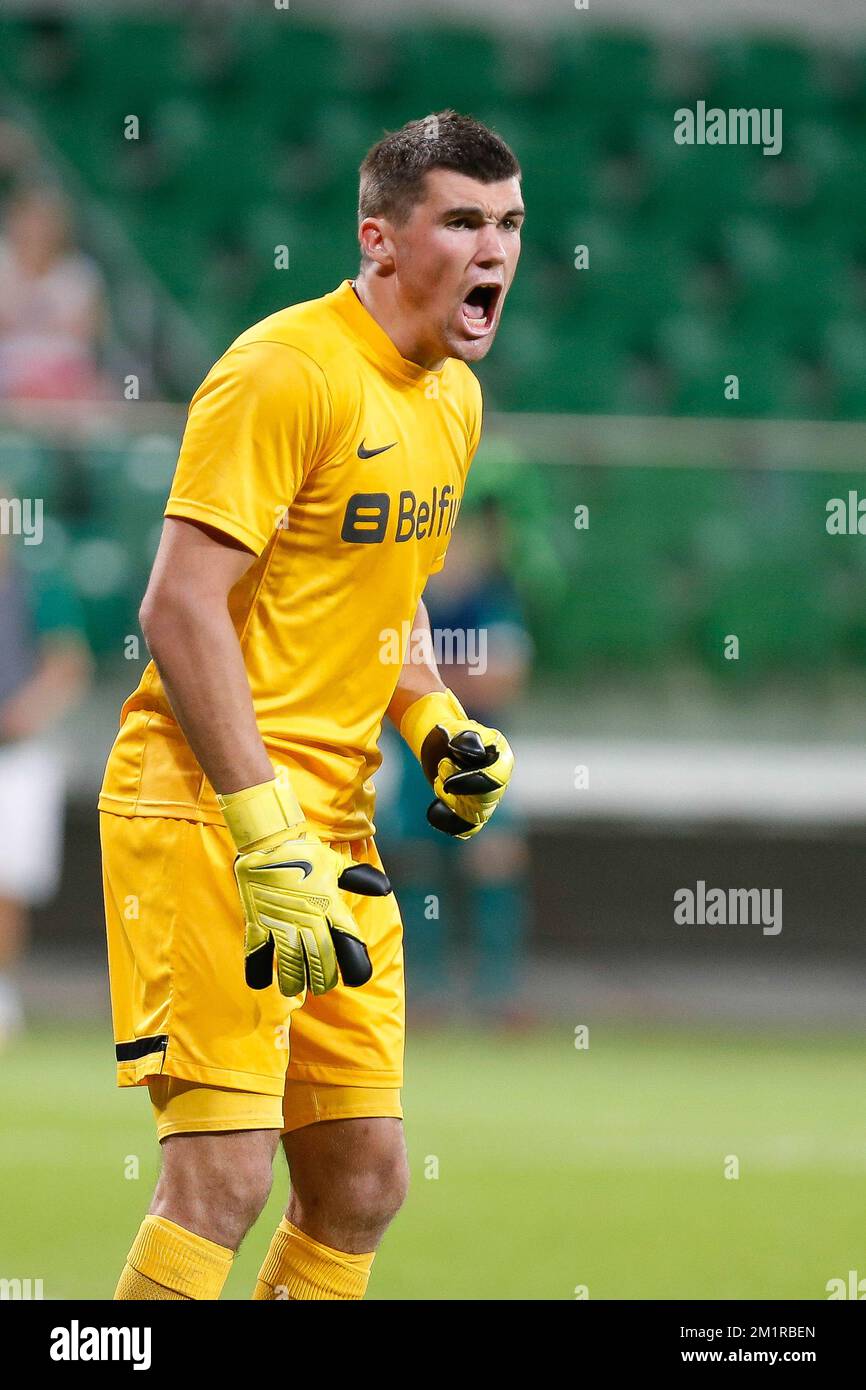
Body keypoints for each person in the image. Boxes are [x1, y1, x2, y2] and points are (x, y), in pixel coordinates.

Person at [99, 110, 525, 1301]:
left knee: (360, 1180)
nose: (492, 252)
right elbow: (179, 606)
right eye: (461, 222)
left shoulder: (451, 400)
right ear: (379, 241)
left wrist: (433, 721)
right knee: (223, 1180)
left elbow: (384, 600)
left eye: (508, 225)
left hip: (329, 836)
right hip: (207, 816)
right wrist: (259, 825)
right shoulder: (283, 369)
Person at [377, 497, 534, 1027]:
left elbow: (504, 677)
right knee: (414, 862)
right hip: (411, 756)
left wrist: (425, 680)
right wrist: (453, 680)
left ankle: (498, 994)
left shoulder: (494, 599)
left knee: (495, 856)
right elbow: (381, 677)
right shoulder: (405, 595)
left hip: (477, 756)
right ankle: (425, 993)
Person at [0, 510, 90, 1042]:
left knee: (7, 883)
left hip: (17, 753)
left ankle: (2, 988)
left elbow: (65, 663)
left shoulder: (39, 587)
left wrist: (21, 713)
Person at [0, 184, 106, 400]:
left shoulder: (79, 273)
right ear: (15, 221)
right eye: (30, 220)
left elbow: (89, 331)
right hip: (8, 367)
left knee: (115, 390)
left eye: (45, 222)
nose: (37, 230)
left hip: (64, 370)